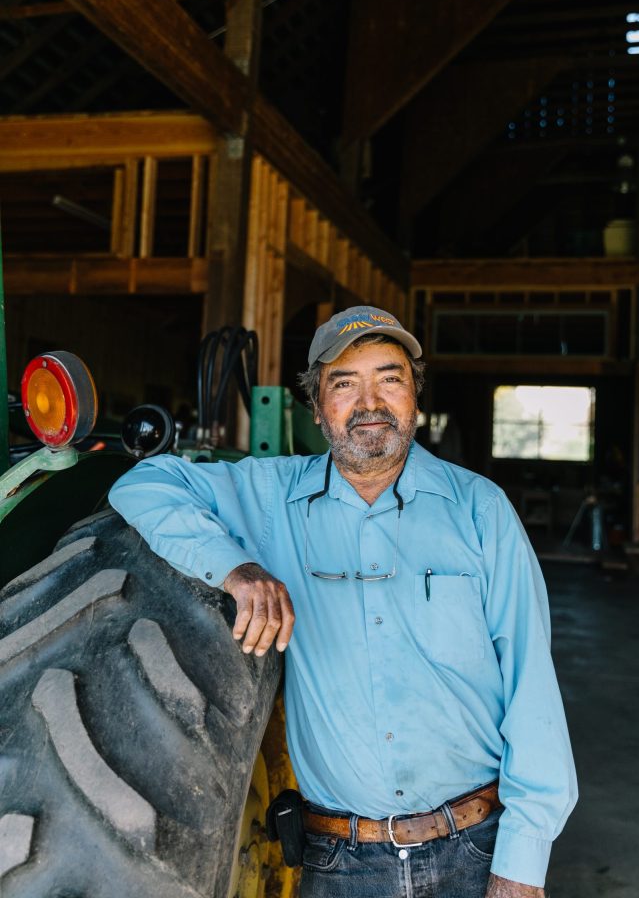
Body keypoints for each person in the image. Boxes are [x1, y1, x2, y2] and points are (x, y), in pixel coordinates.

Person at [109, 305, 577, 898]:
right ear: (316, 405)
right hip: (342, 866)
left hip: (475, 852)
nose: (370, 402)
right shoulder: (271, 498)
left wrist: (523, 863)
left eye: (390, 377)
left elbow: (532, 689)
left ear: (414, 395)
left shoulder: (481, 511)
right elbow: (141, 483)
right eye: (344, 383)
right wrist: (236, 568)